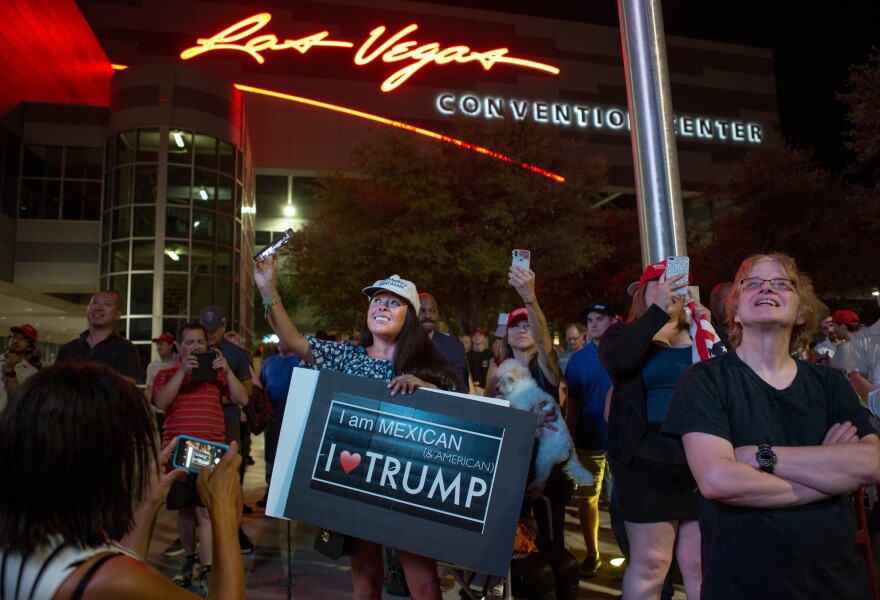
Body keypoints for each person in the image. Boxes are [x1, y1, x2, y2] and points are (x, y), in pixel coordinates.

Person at [664, 253, 880, 599]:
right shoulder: (705, 381)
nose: (767, 288)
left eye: (782, 283)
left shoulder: (830, 384)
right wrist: (830, 475)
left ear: (802, 312)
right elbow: (718, 480)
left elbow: (871, 463)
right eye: (753, 283)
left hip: (836, 583)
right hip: (742, 584)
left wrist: (764, 456)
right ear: (734, 312)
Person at [254, 259, 460, 600]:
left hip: (409, 489)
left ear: (409, 316)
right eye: (377, 300)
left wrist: (428, 389)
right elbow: (291, 338)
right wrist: (268, 289)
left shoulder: (430, 366)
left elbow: (460, 414)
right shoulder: (345, 357)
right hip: (357, 485)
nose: (381, 305)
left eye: (393, 302)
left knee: (424, 587)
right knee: (365, 586)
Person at [0, 362, 244, 600]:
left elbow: (118, 561)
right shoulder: (109, 580)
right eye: (132, 439)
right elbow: (119, 576)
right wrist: (223, 511)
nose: (144, 446)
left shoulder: (25, 538)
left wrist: (149, 502)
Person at [598, 259, 708, 600]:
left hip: (698, 461)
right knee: (650, 563)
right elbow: (619, 361)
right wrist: (658, 313)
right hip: (645, 465)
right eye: (658, 282)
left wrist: (706, 326)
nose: (668, 288)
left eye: (676, 283)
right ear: (642, 292)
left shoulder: (700, 333)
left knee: (699, 564)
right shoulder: (622, 334)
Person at [484, 265, 578, 600]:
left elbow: (542, 340)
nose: (523, 329)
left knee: (553, 559)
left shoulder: (546, 368)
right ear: (506, 335)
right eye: (516, 325)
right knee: (519, 566)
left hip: (545, 483)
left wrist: (530, 298)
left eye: (528, 324)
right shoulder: (497, 376)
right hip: (509, 483)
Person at [152, 322, 250, 594]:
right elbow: (161, 402)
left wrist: (227, 370)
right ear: (179, 347)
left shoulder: (216, 377)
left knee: (205, 511)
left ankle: (208, 569)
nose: (195, 347)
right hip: (179, 450)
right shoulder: (166, 374)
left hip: (209, 451)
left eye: (200, 342)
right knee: (184, 511)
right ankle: (189, 560)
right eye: (190, 342)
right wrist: (183, 371)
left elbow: (242, 398)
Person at [564, 301, 618, 578]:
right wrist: (571, 436)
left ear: (613, 321)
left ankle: (632, 552)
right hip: (589, 439)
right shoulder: (577, 360)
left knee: (625, 499)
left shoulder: (625, 353)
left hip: (622, 439)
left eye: (600, 318)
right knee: (588, 499)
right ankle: (592, 552)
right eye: (590, 320)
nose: (594, 324)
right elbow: (572, 402)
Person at [56, 290, 140, 382]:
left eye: (107, 304)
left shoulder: (126, 349)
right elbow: (55, 385)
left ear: (118, 315)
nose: (98, 308)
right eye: (95, 302)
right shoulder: (68, 348)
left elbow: (125, 390)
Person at [258, 341, 301, 505]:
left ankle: (288, 494)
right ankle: (271, 492)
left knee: (290, 457)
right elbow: (262, 385)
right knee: (271, 456)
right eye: (280, 341)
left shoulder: (300, 362)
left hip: (293, 419)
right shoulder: (269, 362)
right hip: (273, 419)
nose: (282, 345)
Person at [833, 291, 880, 403]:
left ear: (843, 327)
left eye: (834, 325)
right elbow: (856, 377)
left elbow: (833, 375)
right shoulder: (862, 340)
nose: (832, 330)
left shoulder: (845, 347)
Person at [418, 292, 469, 390]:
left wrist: (429, 387)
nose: (428, 316)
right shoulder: (397, 342)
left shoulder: (454, 347)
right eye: (422, 311)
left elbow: (461, 389)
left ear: (438, 314)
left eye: (433, 311)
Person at [1, 324, 40, 412]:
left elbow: (17, 401)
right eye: (14, 336)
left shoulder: (32, 373)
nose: (15, 340)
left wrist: (10, 369)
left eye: (22, 338)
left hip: (7, 422)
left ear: (30, 346)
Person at [146, 332, 180, 403]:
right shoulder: (152, 366)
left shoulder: (180, 360)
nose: (159, 347)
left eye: (161, 344)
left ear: (170, 345)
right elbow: (149, 389)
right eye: (157, 344)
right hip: (159, 408)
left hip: (178, 406)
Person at [467, 327, 496, 395]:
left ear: (484, 339)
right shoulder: (467, 356)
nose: (477, 337)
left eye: (480, 335)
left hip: (487, 391)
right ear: (472, 338)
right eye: (475, 335)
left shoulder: (491, 355)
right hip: (471, 391)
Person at [709, 281, 734, 350]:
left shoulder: (754, 334)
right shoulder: (708, 335)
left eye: (731, 298)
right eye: (720, 299)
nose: (726, 304)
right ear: (711, 306)